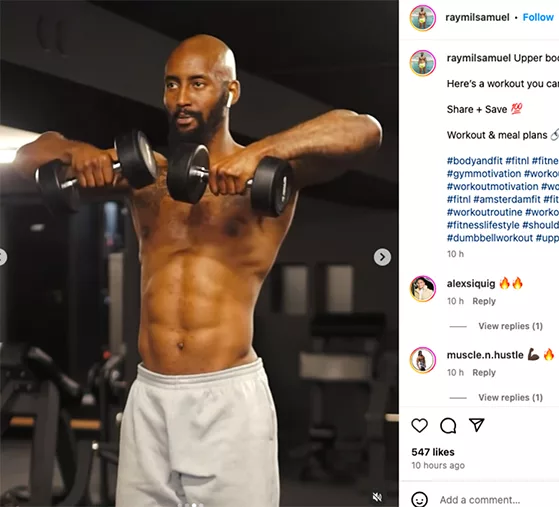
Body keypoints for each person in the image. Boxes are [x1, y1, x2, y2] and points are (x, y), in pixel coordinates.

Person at [12, 34, 382, 507]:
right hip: (150, 395)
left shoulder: (267, 174)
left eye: (198, 84)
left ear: (231, 91)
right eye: (171, 84)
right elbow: (29, 159)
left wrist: (258, 152)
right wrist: (76, 152)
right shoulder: (147, 178)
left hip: (227, 398)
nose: (181, 98)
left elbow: (363, 130)